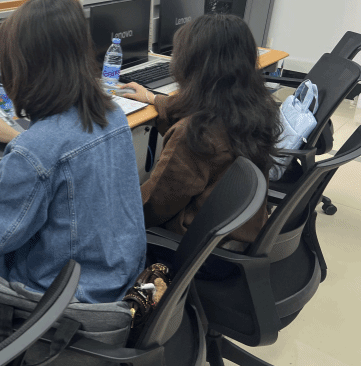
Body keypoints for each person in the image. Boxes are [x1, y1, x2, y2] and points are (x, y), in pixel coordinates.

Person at [0, 0, 146, 304]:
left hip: (62, 302)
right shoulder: (111, 113)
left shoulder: (38, 149)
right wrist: (18, 137)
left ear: (22, 69)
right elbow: (65, 158)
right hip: (114, 278)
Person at [120, 13, 280, 244]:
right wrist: (152, 98)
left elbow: (152, 207)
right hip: (240, 231)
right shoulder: (253, 107)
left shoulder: (195, 134)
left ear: (192, 65)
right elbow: (194, 105)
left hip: (195, 245)